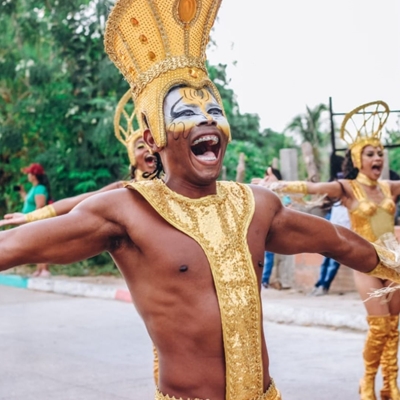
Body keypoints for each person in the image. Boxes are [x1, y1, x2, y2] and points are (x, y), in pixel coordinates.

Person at [1, 3, 400, 399]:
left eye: (214, 109)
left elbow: (338, 241)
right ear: (152, 134)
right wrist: (35, 215)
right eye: (187, 111)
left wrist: (395, 269)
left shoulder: (257, 206)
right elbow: (12, 247)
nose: (207, 119)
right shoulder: (126, 211)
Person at [259, 100, 400, 399]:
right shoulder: (348, 188)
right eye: (370, 153)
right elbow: (312, 188)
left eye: (380, 153)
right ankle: (367, 383)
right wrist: (278, 185)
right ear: (358, 158)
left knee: (393, 329)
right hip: (365, 263)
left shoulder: (389, 187)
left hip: (395, 264)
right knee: (378, 328)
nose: (377, 158)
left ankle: (390, 385)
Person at [15, 163, 52, 277]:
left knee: (41, 245)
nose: (28, 175)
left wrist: (33, 220)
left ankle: (45, 269)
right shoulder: (34, 188)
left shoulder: (40, 188)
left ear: (34, 175)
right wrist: (21, 192)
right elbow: (27, 200)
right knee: (36, 245)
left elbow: (40, 205)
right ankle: (39, 269)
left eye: (29, 173)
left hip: (36, 221)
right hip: (30, 220)